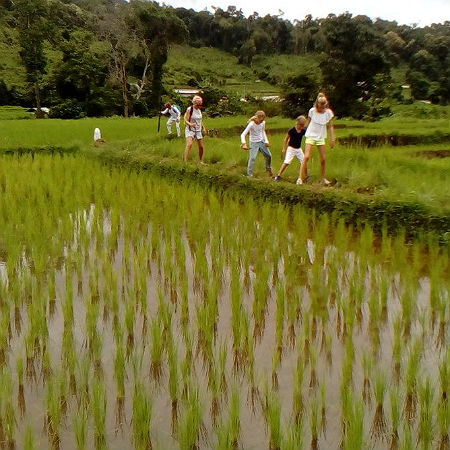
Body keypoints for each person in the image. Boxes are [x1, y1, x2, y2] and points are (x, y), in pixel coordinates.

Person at [297, 93, 335, 186]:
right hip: (311, 135)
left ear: (326, 104)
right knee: (306, 157)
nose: (322, 106)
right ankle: (300, 178)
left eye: (324, 104)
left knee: (323, 159)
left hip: (321, 137)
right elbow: (308, 123)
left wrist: (332, 137)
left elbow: (330, 126)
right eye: (320, 104)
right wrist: (300, 130)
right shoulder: (312, 111)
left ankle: (323, 178)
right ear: (317, 103)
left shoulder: (328, 112)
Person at [273, 115, 307, 181]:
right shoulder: (292, 130)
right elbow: (286, 139)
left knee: (304, 162)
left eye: (303, 126)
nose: (301, 127)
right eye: (300, 125)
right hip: (291, 148)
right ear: (297, 123)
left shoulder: (303, 131)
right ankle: (278, 175)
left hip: (298, 149)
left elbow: (308, 136)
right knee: (287, 162)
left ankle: (306, 176)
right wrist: (284, 148)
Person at [240, 110, 273, 178]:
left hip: (262, 141)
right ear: (256, 118)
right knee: (252, 158)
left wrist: (266, 141)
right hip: (253, 143)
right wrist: (244, 144)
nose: (261, 121)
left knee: (269, 155)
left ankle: (268, 168)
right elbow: (243, 134)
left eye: (262, 120)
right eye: (260, 120)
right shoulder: (251, 124)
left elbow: (263, 131)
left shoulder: (263, 123)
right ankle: (249, 176)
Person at [184, 95, 207, 164]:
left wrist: (203, 128)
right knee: (189, 144)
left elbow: (200, 120)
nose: (199, 106)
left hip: (198, 130)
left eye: (200, 105)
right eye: (198, 105)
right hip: (190, 129)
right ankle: (185, 162)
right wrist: (191, 124)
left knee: (201, 147)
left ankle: (200, 161)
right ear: (194, 103)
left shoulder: (199, 110)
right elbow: (185, 120)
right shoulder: (190, 109)